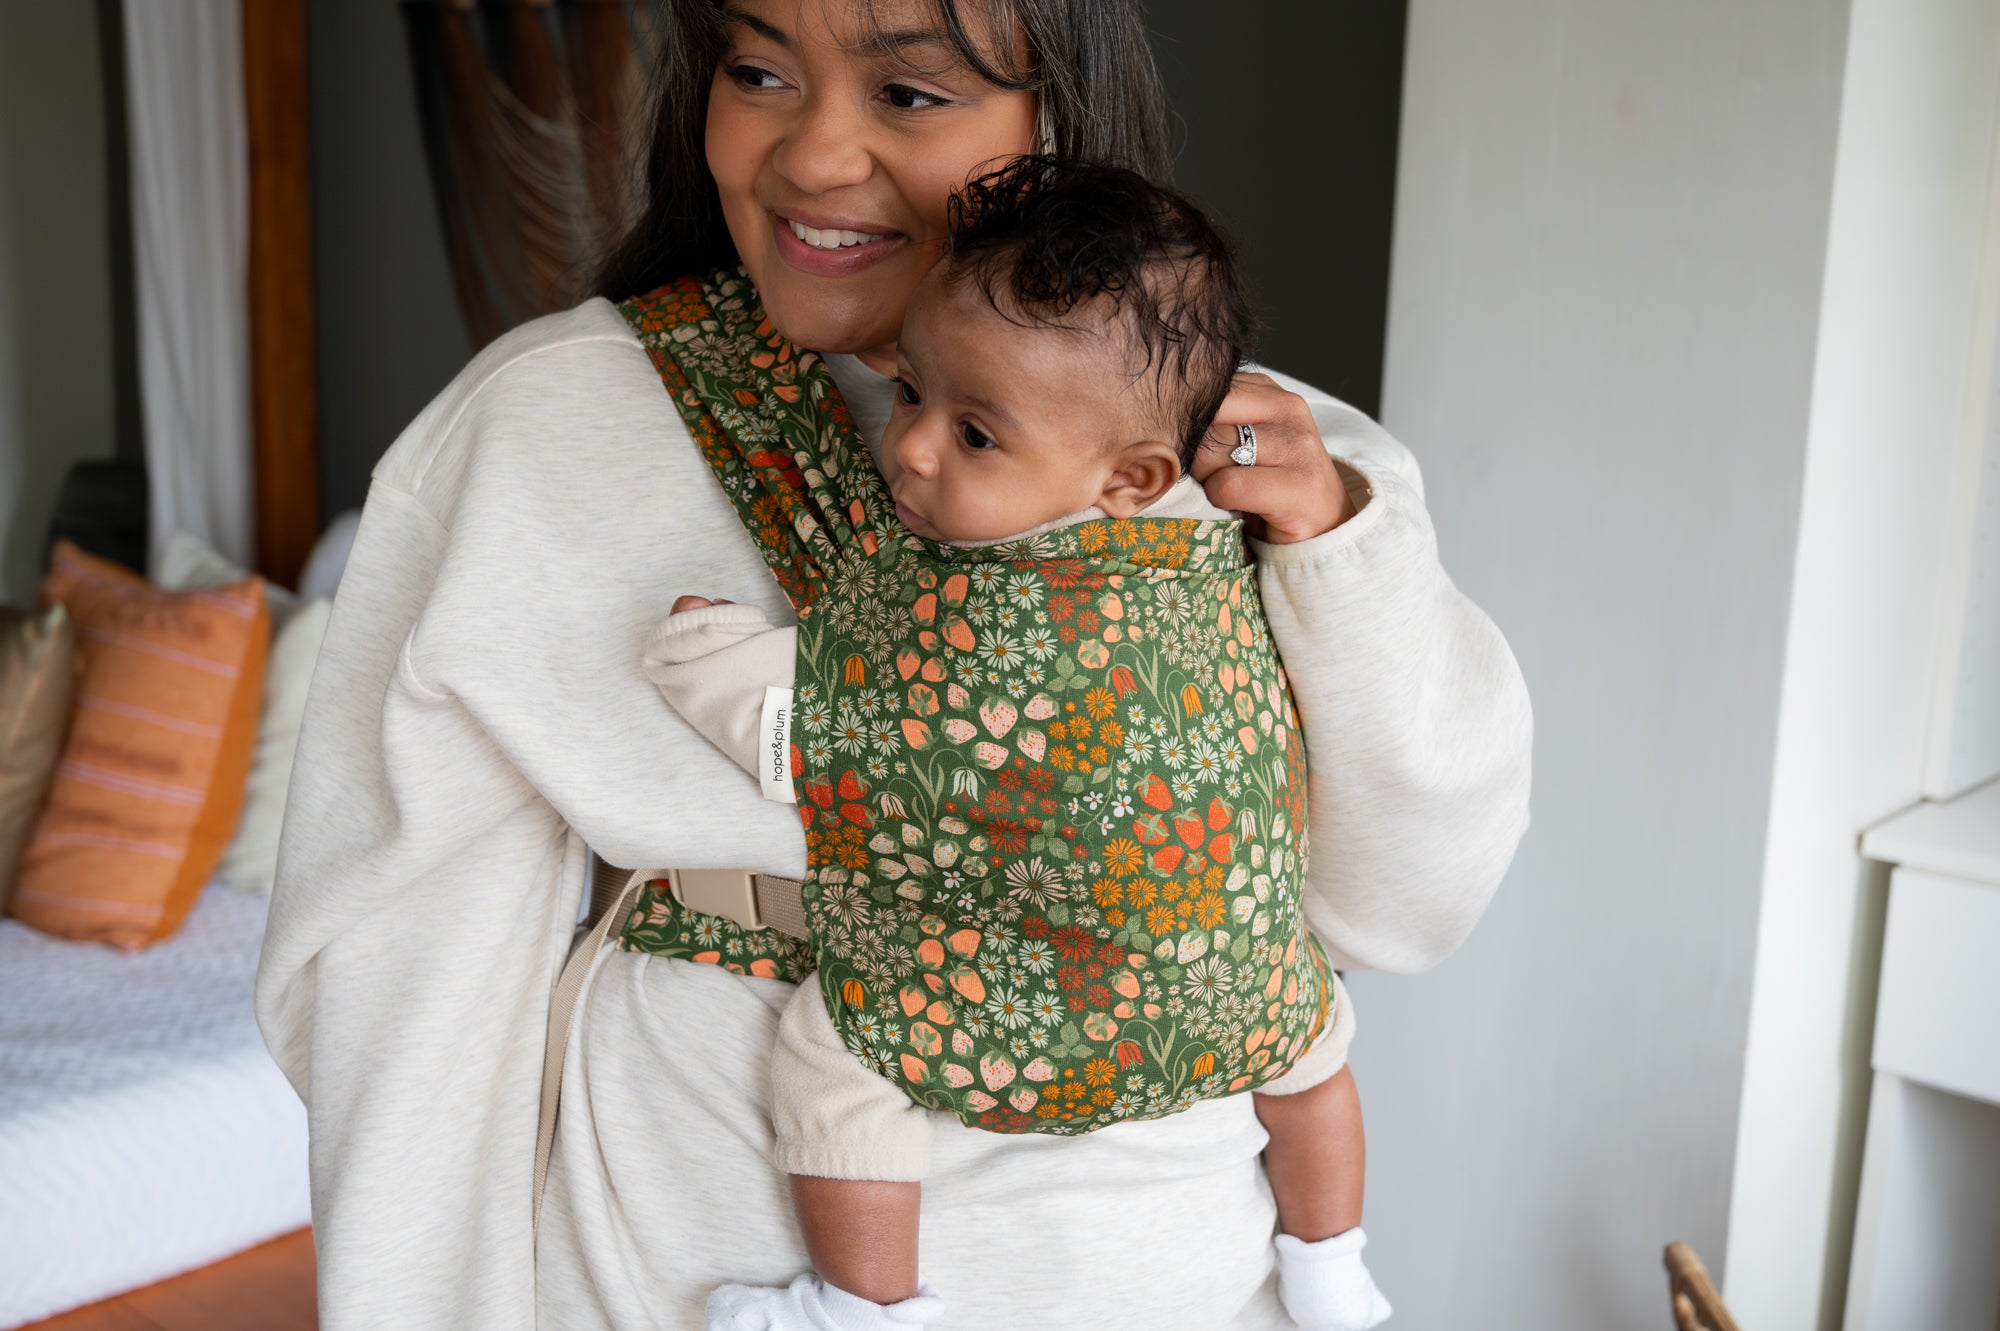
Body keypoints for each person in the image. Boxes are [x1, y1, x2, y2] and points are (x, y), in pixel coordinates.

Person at [254, 1, 1533, 1327]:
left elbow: (1402, 906)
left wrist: (1333, 549)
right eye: (758, 71)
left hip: (1162, 1271)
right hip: (680, 1257)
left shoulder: (1254, 462)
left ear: (1059, 114)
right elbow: (394, 981)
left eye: (910, 94)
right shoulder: (545, 425)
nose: (811, 154)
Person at [645, 155, 1389, 1331]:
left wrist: (704, 652)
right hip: (1239, 972)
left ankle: (862, 1304)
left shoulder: (974, 608)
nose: (913, 448)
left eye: (976, 434)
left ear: (1126, 476)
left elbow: (825, 738)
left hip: (1032, 999)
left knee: (833, 1058)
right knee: (1312, 1062)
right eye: (911, 395)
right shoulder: (1210, 533)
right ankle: (1331, 1263)